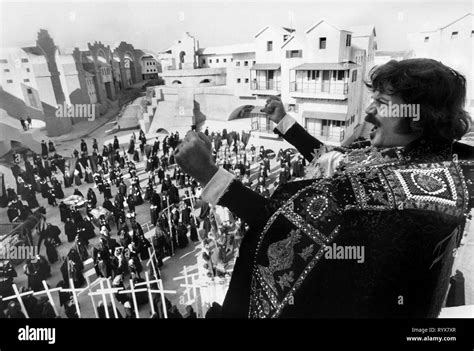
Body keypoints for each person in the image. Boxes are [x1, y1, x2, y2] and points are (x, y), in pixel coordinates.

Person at [175, 59, 474, 318]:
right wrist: (285, 122)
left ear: (419, 117)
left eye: (382, 104)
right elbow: (337, 160)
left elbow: (285, 229)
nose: (368, 112)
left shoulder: (382, 198)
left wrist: (210, 176)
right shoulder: (422, 162)